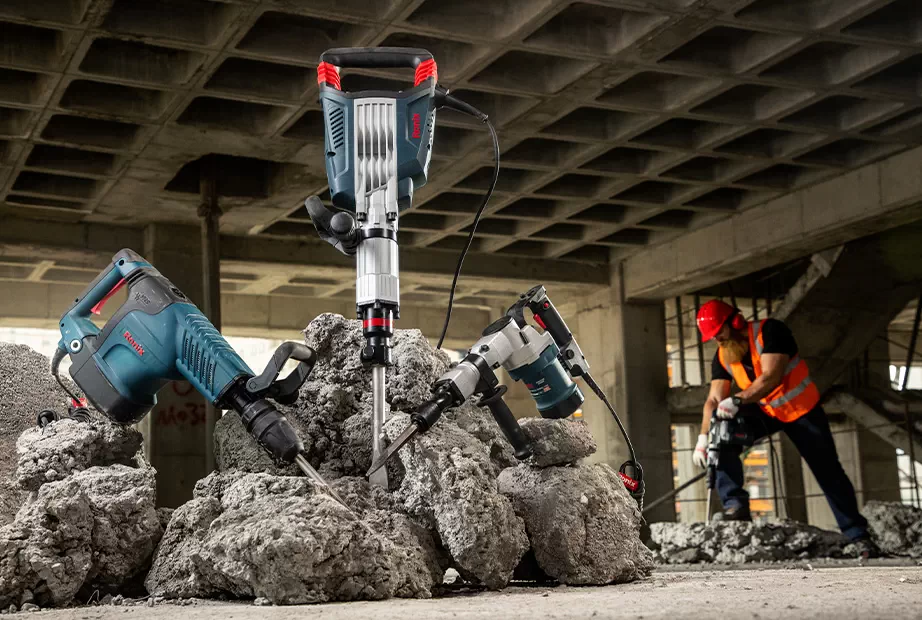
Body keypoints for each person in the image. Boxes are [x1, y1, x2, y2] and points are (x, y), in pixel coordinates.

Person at [693, 299, 879, 558]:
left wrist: (738, 399)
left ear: (734, 322)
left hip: (801, 410)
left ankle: (858, 535)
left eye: (719, 333)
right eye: (713, 337)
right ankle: (735, 506)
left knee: (828, 470)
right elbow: (713, 400)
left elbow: (771, 376)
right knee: (720, 432)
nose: (718, 340)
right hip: (766, 412)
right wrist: (703, 438)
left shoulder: (770, 332)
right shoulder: (724, 355)